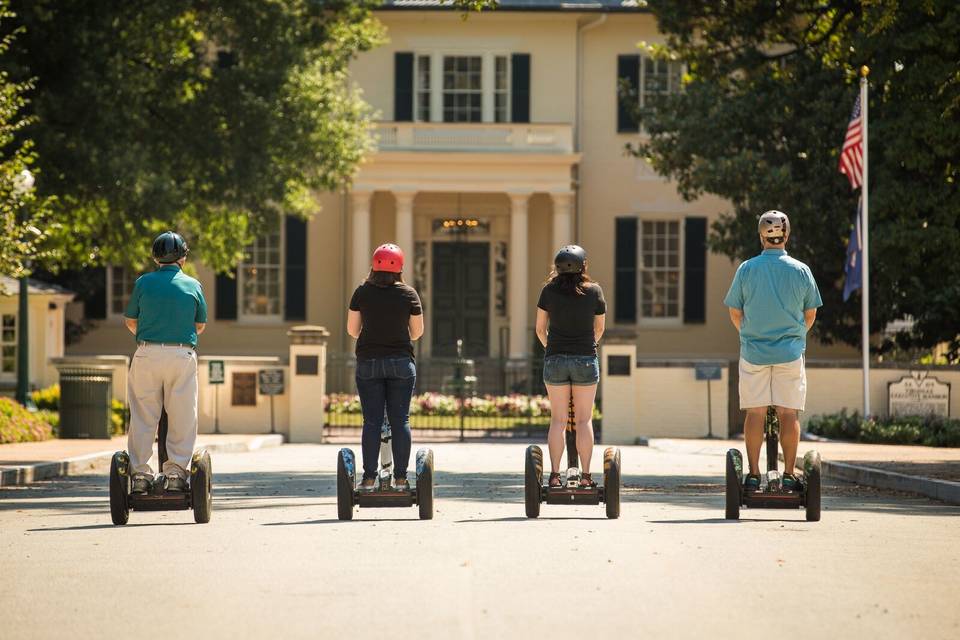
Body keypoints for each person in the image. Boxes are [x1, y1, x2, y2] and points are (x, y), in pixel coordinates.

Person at [724, 210, 822, 492]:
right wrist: (795, 336)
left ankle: (754, 474)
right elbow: (810, 313)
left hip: (754, 352)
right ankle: (790, 474)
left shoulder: (747, 269)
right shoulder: (801, 270)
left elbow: (735, 311)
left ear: (761, 237)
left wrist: (748, 334)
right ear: (786, 235)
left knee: (754, 414)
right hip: (789, 353)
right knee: (788, 415)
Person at [123, 231, 207, 494]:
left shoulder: (143, 283)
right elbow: (200, 325)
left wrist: (151, 335)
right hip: (181, 354)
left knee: (143, 416)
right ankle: (175, 474)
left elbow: (130, 320)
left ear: (155, 257)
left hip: (147, 353)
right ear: (183, 257)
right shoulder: (193, 285)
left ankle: (140, 476)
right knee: (182, 415)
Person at [346, 243, 424, 492]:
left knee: (371, 421)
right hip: (401, 363)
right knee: (401, 420)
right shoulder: (409, 294)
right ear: (400, 267)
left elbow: (352, 330)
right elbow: (417, 333)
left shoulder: (361, 292)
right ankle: (400, 478)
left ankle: (369, 478)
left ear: (373, 265)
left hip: (368, 363)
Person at [535, 245, 606, 488]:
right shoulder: (594, 291)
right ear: (583, 266)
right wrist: (587, 347)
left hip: (555, 358)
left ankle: (554, 475)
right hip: (585, 358)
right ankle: (586, 477)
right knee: (584, 420)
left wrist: (550, 348)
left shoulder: (548, 291)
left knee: (558, 420)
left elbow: (539, 329)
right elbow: (599, 329)